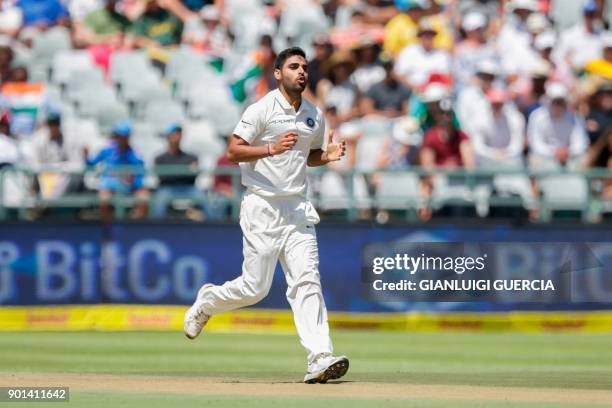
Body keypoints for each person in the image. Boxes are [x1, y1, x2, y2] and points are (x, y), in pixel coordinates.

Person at [184, 47, 349, 384]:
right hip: (262, 206)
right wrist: (270, 148)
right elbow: (233, 150)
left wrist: (327, 156)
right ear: (278, 74)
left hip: (297, 208)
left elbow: (309, 155)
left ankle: (320, 357)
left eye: (304, 67)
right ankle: (208, 301)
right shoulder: (261, 109)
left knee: (307, 280)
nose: (301, 72)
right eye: (293, 66)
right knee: (255, 288)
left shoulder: (314, 115)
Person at [84, 120, 150, 220]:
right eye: (119, 136)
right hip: (110, 185)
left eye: (125, 136)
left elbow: (140, 174)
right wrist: (85, 156)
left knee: (144, 197)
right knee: (104, 198)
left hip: (129, 187)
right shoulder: (107, 150)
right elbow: (91, 163)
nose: (122, 139)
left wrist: (133, 181)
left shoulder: (135, 154)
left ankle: (135, 226)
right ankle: (107, 228)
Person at [152, 124, 206, 220]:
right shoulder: (159, 158)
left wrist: (173, 173)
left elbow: (193, 177)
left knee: (204, 199)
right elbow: (162, 178)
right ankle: (159, 231)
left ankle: (210, 231)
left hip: (188, 188)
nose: (176, 136)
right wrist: (184, 171)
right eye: (173, 133)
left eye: (178, 133)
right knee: (159, 202)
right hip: (167, 188)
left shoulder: (191, 157)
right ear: (168, 136)